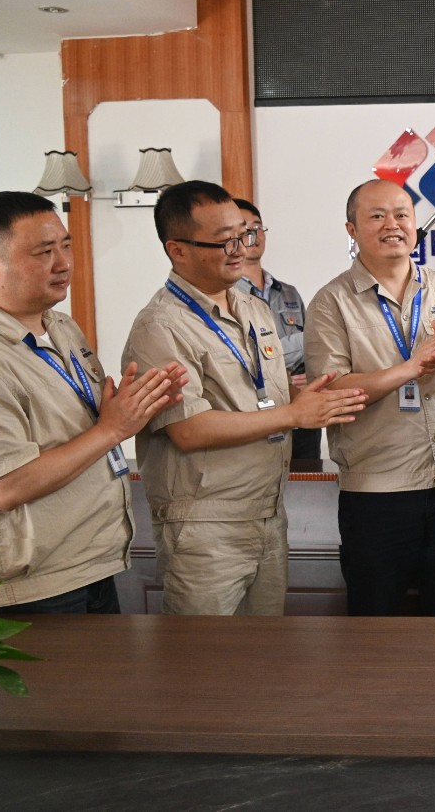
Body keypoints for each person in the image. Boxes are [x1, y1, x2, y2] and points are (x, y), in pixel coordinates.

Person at [0, 192, 185, 614]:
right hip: (33, 586)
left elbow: (77, 426)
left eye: (66, 245)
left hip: (92, 561)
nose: (64, 263)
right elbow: (6, 487)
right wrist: (112, 429)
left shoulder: (59, 326)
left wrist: (135, 406)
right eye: (44, 252)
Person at [123, 180, 366, 615]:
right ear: (178, 250)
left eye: (245, 235)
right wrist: (293, 414)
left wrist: (303, 397)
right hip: (205, 523)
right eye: (224, 241)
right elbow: (189, 430)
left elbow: (257, 395)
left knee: (263, 648)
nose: (241, 249)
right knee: (208, 653)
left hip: (268, 511)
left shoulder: (253, 308)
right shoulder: (160, 327)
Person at [305, 179, 435, 616]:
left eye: (402, 214)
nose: (393, 224)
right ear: (352, 229)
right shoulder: (331, 302)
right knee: (375, 619)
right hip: (378, 489)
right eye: (377, 216)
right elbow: (332, 390)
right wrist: (410, 368)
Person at [234, 197, 321, 463]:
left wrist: (310, 375)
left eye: (257, 227)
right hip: (256, 417)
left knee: (307, 484)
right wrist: (315, 336)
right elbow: (249, 357)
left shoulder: (288, 292)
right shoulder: (226, 295)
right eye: (244, 228)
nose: (253, 234)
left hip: (301, 414)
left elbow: (313, 350)